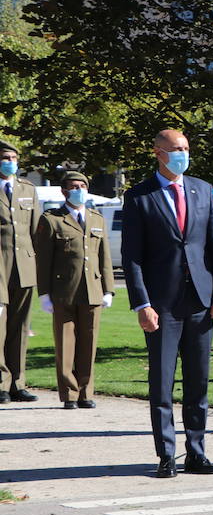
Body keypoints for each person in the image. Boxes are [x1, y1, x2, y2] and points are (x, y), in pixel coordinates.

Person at [123, 129, 213, 478]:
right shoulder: (140, 196)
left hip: (200, 300)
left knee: (198, 381)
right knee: (162, 382)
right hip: (162, 305)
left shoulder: (201, 190)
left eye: (186, 148)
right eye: (176, 150)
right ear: (158, 153)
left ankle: (196, 451)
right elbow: (132, 257)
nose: (183, 154)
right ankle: (166, 453)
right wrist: (142, 304)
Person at [34, 172, 115, 409]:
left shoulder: (96, 218)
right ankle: (69, 394)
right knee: (66, 343)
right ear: (64, 191)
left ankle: (85, 392)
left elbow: (104, 257)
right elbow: (44, 260)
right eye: (73, 186)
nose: (79, 190)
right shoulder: (51, 219)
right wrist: (44, 294)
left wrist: (108, 289)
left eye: (82, 186)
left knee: (89, 343)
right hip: (63, 291)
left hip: (92, 289)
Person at [0, 139, 41, 405]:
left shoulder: (27, 189)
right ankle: (1, 383)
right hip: (0, 268)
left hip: (25, 266)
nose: (11, 162)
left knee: (20, 326)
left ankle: (17, 382)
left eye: (14, 158)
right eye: (5, 158)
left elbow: (37, 231)